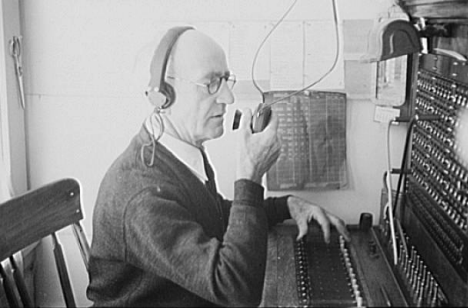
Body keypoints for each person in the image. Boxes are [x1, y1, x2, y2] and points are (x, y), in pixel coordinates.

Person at [86, 27, 350, 307]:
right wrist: (250, 175)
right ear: (163, 94)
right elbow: (236, 292)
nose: (228, 98)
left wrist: (286, 206)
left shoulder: (177, 153)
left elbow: (212, 215)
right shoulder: (142, 195)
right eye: (211, 82)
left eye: (225, 80)